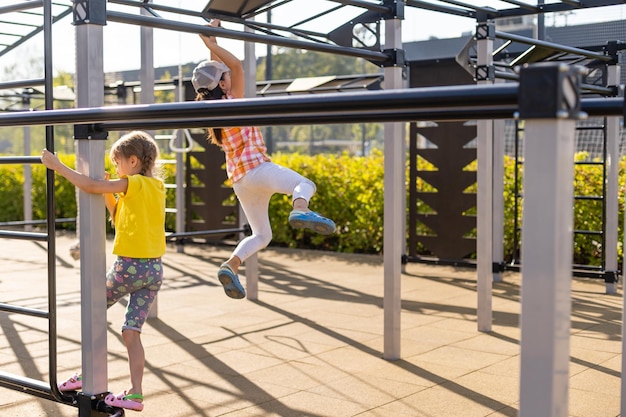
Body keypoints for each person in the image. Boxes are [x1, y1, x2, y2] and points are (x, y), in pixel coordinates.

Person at [192, 19, 336, 300]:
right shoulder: (236, 103)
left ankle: (231, 265)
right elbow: (236, 67)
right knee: (304, 184)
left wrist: (212, 45)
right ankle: (299, 208)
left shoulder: (210, 111)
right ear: (223, 84)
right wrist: (211, 44)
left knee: (262, 235)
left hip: (240, 181)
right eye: (226, 78)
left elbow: (219, 73)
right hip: (258, 168)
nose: (232, 79)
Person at [42, 130, 166, 412]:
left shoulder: (133, 183)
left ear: (133, 161)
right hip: (154, 270)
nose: (115, 169)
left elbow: (90, 186)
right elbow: (119, 218)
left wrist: (58, 166)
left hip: (131, 266)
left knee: (93, 310)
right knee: (130, 332)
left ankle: (90, 372)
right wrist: (113, 195)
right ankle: (135, 393)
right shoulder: (156, 188)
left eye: (118, 162)